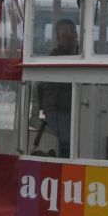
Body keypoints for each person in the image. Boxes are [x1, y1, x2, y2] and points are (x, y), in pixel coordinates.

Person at [37, 19, 79, 157]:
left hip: (76, 109)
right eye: (64, 33)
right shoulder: (53, 58)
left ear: (77, 35)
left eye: (72, 32)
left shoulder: (80, 56)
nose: (69, 35)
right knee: (65, 142)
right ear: (58, 38)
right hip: (56, 111)